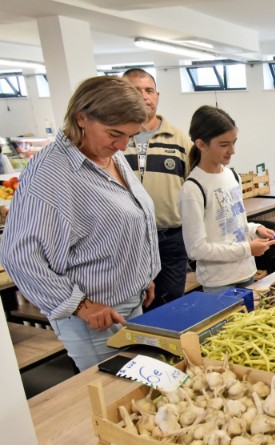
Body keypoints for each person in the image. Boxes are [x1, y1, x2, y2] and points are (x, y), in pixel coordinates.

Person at [1, 76, 160, 371]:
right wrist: (81, 306)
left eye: (130, 136)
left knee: (138, 385)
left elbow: (119, 224)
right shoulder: (51, 175)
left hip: (130, 301)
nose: (123, 145)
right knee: (116, 396)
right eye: (115, 133)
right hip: (95, 318)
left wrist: (143, 273)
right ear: (82, 118)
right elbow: (19, 257)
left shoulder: (106, 153)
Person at [178, 105, 275, 293]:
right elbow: (196, 249)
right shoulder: (193, 189)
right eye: (224, 145)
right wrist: (248, 249)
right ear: (201, 144)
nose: (232, 151)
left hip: (246, 272)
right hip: (219, 282)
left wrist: (256, 229)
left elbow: (232, 226)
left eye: (234, 142)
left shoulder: (232, 176)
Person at [122, 68, 193, 309]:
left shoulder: (179, 139)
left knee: (170, 303)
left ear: (157, 95)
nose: (144, 97)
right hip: (129, 241)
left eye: (149, 90)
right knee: (134, 305)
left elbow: (193, 186)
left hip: (170, 237)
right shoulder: (116, 141)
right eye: (135, 91)